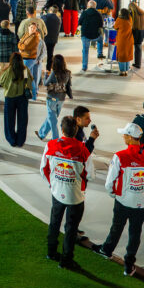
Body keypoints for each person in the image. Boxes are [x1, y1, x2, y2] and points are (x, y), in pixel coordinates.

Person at [94, 122, 144, 277]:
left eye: (125, 134)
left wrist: (114, 194)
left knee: (117, 226)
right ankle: (129, 264)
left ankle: (107, 250)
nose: (123, 136)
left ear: (131, 138)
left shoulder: (120, 156)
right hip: (143, 202)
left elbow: (109, 182)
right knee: (135, 232)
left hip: (124, 200)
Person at [41, 115, 95, 269]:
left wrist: (53, 185)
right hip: (75, 195)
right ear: (76, 129)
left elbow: (43, 169)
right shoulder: (83, 149)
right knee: (71, 229)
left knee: (54, 223)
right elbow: (90, 174)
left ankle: (51, 252)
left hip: (57, 192)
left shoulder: (51, 145)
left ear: (61, 129)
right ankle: (66, 260)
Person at [35, 54, 72, 142]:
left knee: (52, 119)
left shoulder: (54, 73)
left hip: (52, 98)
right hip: (61, 99)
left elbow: (46, 83)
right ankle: (41, 134)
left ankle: (55, 139)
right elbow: (68, 85)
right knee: (52, 117)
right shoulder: (68, 73)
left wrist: (45, 76)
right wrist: (70, 95)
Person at [0, 52, 31, 147]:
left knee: (9, 120)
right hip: (22, 97)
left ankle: (12, 140)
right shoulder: (24, 70)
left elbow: (1, 81)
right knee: (22, 120)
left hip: (10, 97)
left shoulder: (8, 70)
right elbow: (29, 82)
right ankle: (20, 140)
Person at [17, 22, 41, 101]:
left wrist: (21, 47)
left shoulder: (35, 37)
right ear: (28, 27)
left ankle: (30, 94)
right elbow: (20, 42)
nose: (33, 29)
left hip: (29, 59)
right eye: (31, 27)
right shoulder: (27, 34)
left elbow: (26, 47)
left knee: (25, 77)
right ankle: (33, 95)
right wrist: (21, 46)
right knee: (30, 78)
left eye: (34, 28)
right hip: (24, 58)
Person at [77, 0, 103, 72]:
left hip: (85, 34)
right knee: (101, 39)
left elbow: (79, 22)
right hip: (95, 34)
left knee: (85, 50)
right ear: (95, 6)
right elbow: (101, 25)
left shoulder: (84, 13)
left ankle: (84, 67)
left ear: (88, 6)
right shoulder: (98, 14)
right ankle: (100, 53)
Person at [112, 8, 134, 76]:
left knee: (121, 55)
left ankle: (122, 71)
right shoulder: (130, 19)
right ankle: (126, 70)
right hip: (129, 39)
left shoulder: (119, 19)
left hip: (122, 39)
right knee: (127, 54)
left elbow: (115, 27)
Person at [127, 0, 144, 68]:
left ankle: (127, 63)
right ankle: (138, 63)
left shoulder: (131, 13)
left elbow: (128, 22)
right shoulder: (142, 12)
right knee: (138, 48)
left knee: (129, 48)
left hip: (134, 31)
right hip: (141, 31)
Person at [41, 6, 61, 72]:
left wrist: (43, 13)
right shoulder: (58, 19)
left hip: (45, 38)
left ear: (50, 10)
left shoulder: (45, 17)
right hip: (53, 39)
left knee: (41, 53)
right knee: (50, 54)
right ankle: (48, 68)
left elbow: (41, 20)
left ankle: (40, 67)